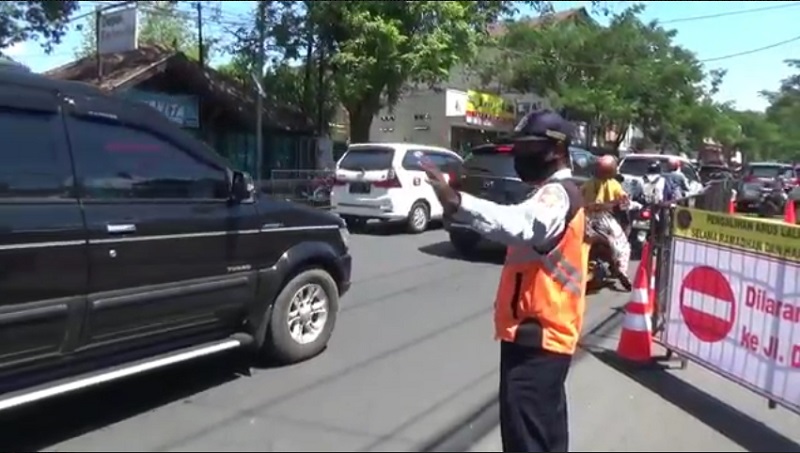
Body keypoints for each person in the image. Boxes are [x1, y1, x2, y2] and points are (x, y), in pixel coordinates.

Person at [420, 109, 587, 452]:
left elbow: (520, 224)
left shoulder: (555, 195)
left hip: (536, 341)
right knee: (545, 435)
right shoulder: (558, 191)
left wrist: (456, 201)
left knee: (526, 440)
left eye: (528, 148)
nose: (518, 156)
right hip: (543, 337)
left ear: (556, 150)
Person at [581, 155, 633, 291]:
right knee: (623, 245)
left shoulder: (588, 183)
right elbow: (623, 198)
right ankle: (621, 269)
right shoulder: (613, 184)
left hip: (585, 220)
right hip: (604, 220)